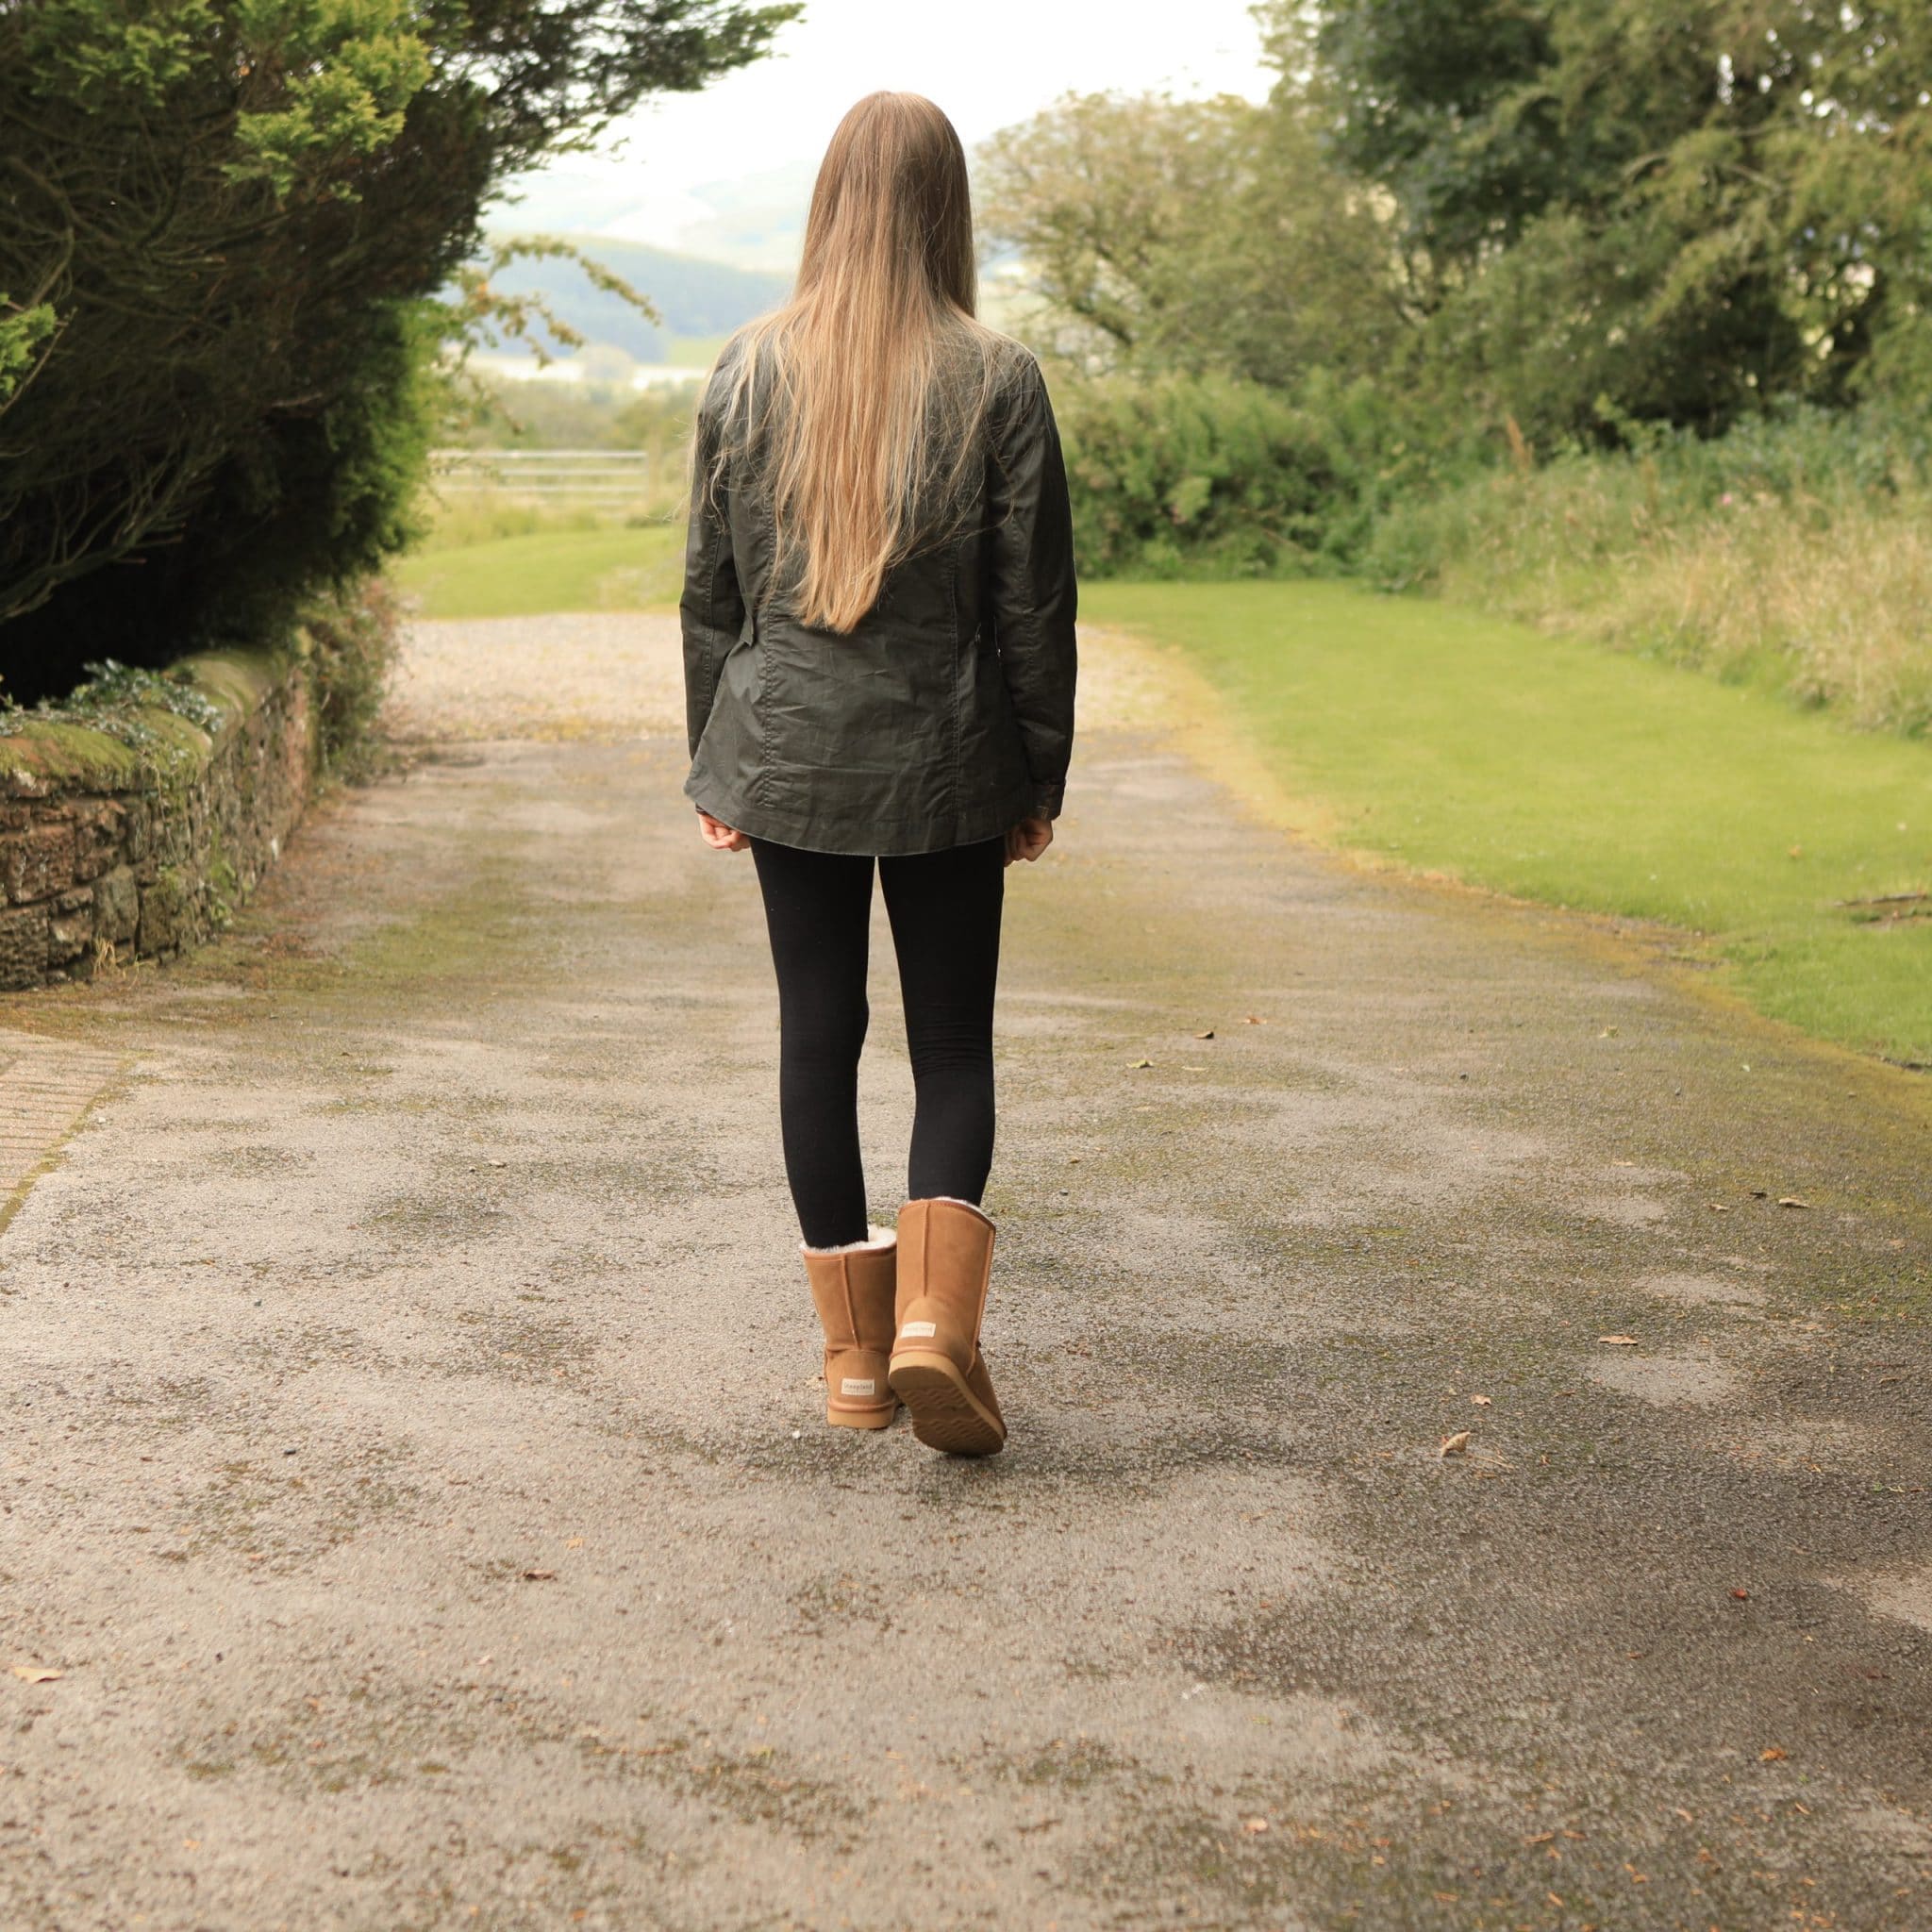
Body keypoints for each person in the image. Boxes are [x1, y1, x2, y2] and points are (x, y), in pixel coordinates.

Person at [679, 92, 1077, 1458]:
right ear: (944, 208)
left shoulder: (745, 369)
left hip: (786, 749)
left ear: (830, 200)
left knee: (818, 1031)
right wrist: (1043, 771)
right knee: (951, 1042)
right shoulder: (998, 377)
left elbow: (709, 600)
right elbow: (1035, 606)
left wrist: (713, 763)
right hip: (952, 757)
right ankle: (933, 1330)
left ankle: (853, 1365)